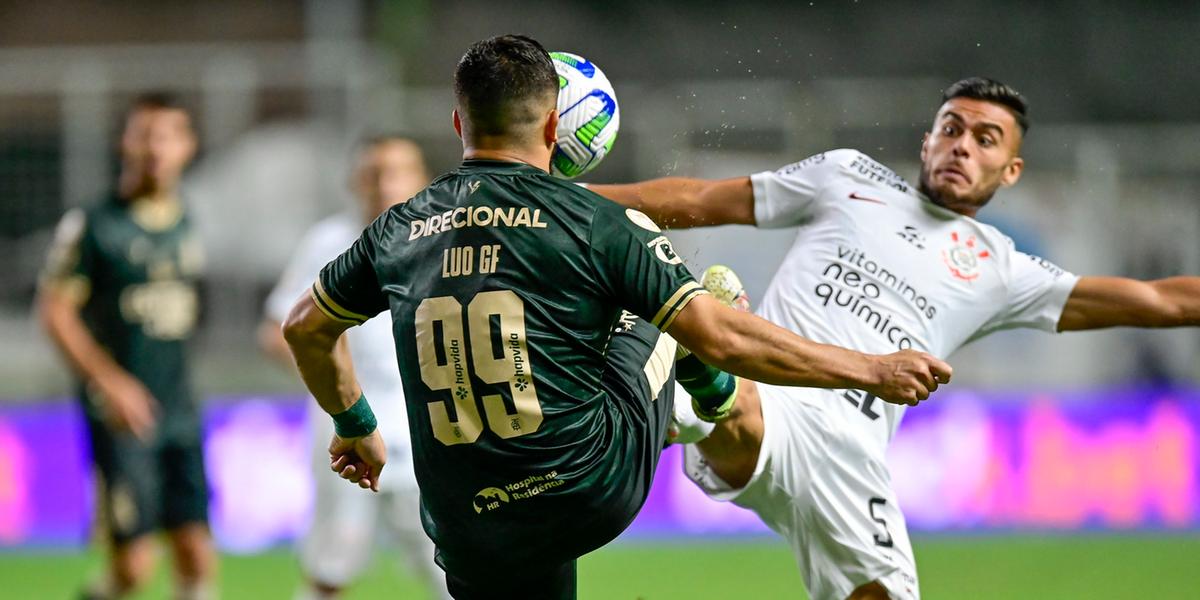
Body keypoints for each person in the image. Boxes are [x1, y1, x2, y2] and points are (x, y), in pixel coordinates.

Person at [280, 34, 949, 600]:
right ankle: (709, 393)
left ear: (459, 125)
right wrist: (870, 368)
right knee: (686, 305)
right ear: (553, 128)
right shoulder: (596, 222)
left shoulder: (398, 229)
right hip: (586, 487)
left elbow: (305, 327)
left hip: (465, 516)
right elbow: (720, 333)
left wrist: (354, 425)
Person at [588, 77, 1200, 600]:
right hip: (773, 392)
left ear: (1010, 170)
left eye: (985, 140)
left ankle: (687, 382)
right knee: (735, 393)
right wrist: (573, 205)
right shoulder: (848, 177)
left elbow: (1156, 299)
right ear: (927, 140)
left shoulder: (1002, 268)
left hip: (852, 457)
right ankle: (703, 380)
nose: (962, 146)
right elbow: (698, 199)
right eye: (952, 128)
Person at [38, 93, 214, 600]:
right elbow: (54, 311)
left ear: (187, 147)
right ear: (125, 143)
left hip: (179, 407)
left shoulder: (187, 222)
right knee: (134, 567)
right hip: (120, 417)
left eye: (167, 137)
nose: (155, 148)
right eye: (144, 135)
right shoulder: (93, 225)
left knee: (196, 552)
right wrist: (109, 382)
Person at [258, 135, 450, 600]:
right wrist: (338, 390)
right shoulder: (330, 242)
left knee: (453, 570)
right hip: (345, 438)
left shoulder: (445, 242)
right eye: (373, 173)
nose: (385, 184)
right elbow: (277, 332)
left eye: (397, 171)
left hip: (427, 436)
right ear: (354, 182)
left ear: (421, 179)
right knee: (331, 568)